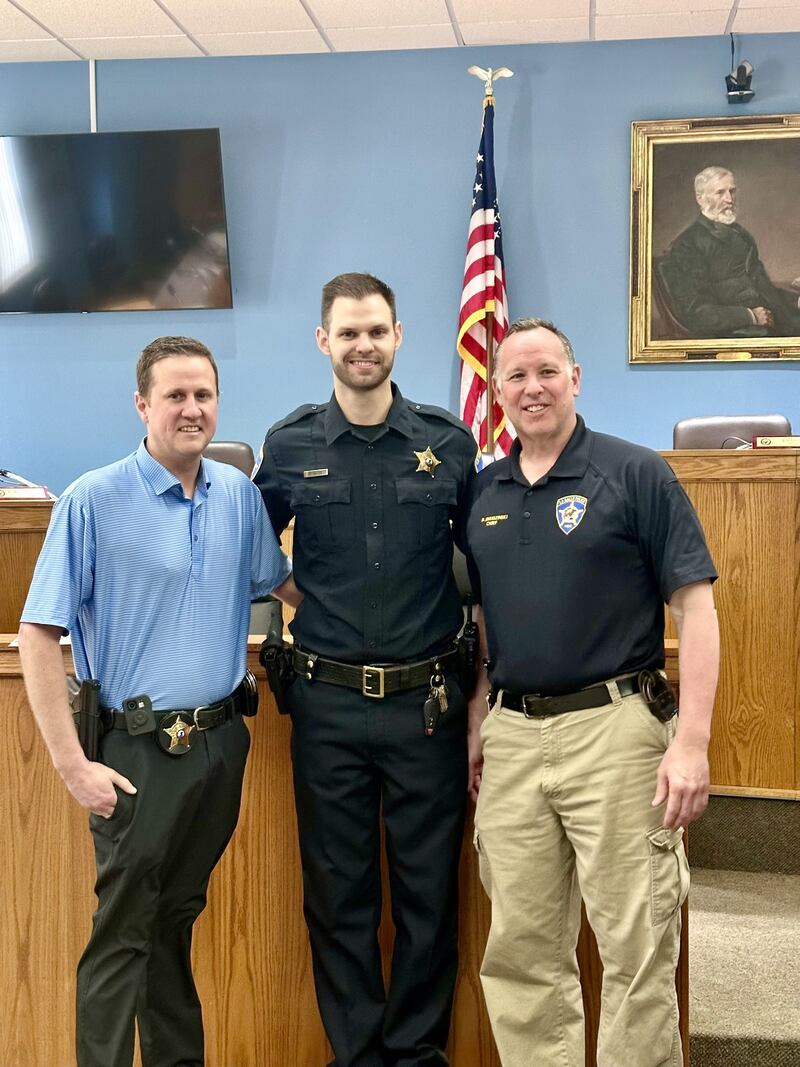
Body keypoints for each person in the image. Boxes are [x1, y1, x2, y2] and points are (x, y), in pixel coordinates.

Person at [18, 335, 298, 1067]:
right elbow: (38, 634)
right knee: (123, 931)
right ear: (142, 404)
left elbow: (281, 585)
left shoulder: (237, 494)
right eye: (175, 395)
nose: (192, 408)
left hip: (218, 747)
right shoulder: (93, 498)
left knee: (175, 920)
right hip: (137, 750)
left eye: (203, 394)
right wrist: (72, 765)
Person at [464, 318, 719, 1067]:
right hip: (513, 738)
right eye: (516, 376)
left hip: (616, 731)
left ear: (576, 378)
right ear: (498, 391)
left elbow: (697, 609)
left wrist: (692, 742)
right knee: (521, 950)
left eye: (547, 372)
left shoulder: (635, 474)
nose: (532, 388)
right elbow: (485, 620)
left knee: (638, 945)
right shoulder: (484, 492)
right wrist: (480, 720)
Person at [254, 272, 476, 1067]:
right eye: (347, 333)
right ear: (324, 341)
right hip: (327, 706)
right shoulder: (289, 444)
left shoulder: (449, 441)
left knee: (428, 899)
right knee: (340, 899)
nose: (362, 345)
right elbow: (250, 548)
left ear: (398, 335)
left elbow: (482, 556)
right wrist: (303, 595)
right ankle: (356, 1057)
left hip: (429, 703)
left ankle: (416, 1056)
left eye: (376, 331)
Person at [660, 165, 800, 338]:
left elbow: (764, 289)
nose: (729, 199)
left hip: (769, 320)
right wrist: (751, 316)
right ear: (700, 198)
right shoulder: (686, 246)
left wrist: (796, 300)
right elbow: (695, 313)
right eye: (720, 193)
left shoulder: (741, 235)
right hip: (731, 331)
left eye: (732, 191)